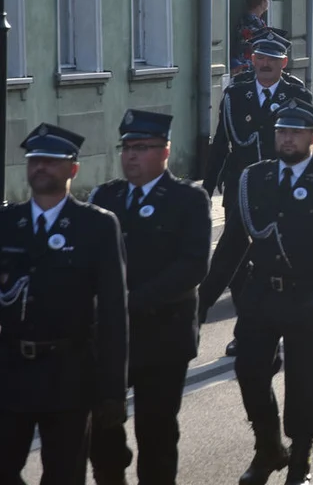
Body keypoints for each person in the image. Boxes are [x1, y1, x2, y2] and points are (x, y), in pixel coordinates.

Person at [199, 100, 313, 485]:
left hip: (310, 298)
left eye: (295, 133)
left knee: (304, 380)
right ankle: (268, 447)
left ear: (312, 137)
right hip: (262, 295)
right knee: (250, 371)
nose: (287, 139)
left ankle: (301, 459)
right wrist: (203, 299)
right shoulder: (254, 178)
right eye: (281, 132)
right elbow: (233, 245)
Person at [86, 111, 210, 485]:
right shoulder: (106, 197)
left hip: (163, 334)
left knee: (156, 432)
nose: (131, 156)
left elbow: (193, 266)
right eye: (126, 147)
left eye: (141, 148)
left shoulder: (188, 198)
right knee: (101, 428)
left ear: (165, 152)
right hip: (109, 339)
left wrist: (131, 300)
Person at [0, 124, 127, 485]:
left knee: (64, 476)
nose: (41, 167)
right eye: (34, 160)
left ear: (72, 169)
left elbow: (114, 314)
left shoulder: (96, 226)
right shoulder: (7, 223)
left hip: (68, 374)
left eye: (51, 161)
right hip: (10, 372)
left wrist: (112, 391)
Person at [203, 27, 312, 356]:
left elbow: (307, 148)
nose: (264, 63)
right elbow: (221, 143)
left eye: (272, 58)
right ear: (252, 59)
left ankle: (272, 331)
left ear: (284, 63)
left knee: (272, 262)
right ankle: (246, 328)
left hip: (280, 190)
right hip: (241, 189)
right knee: (238, 265)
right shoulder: (237, 94)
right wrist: (206, 190)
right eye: (259, 57)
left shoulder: (296, 96)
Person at [231, 0, 270, 75]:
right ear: (261, 2)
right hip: (248, 67)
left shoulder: (258, 21)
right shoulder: (250, 22)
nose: (268, 2)